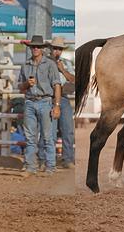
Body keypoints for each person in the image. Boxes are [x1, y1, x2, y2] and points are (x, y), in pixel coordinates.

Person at [17, 35, 62, 177]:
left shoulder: (50, 64)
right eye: (33, 46)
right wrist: (27, 84)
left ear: (42, 48)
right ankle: (31, 167)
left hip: (45, 101)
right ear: (30, 48)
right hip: (30, 101)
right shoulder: (25, 65)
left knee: (47, 137)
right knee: (30, 137)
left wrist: (57, 105)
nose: (35, 48)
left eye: (38, 46)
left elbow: (57, 85)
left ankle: (49, 167)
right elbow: (20, 86)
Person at [48, 37, 75, 167]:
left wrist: (63, 70)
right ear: (51, 49)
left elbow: (74, 79)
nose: (57, 51)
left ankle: (68, 159)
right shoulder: (45, 62)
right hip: (49, 98)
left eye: (59, 49)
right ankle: (50, 160)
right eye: (55, 48)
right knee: (50, 132)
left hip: (63, 98)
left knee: (68, 130)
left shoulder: (66, 63)